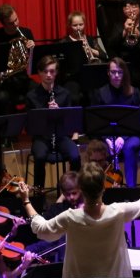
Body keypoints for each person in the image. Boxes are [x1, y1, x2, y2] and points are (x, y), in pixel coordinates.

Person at [25, 55, 81, 187]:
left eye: (52, 71)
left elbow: (71, 120)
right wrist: (46, 113)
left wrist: (59, 111)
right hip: (42, 137)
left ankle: (74, 190)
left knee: (75, 156)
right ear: (39, 73)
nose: (49, 75)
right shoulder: (32, 96)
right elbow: (29, 124)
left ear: (56, 72)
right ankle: (39, 194)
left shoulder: (64, 94)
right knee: (39, 157)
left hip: (61, 136)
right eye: (45, 71)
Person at [91, 58, 140, 186]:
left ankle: (131, 190)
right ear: (108, 73)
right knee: (98, 147)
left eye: (120, 72)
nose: (116, 75)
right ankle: (101, 191)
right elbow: (96, 122)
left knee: (129, 147)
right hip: (107, 138)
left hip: (131, 135)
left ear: (124, 73)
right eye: (113, 72)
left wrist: (123, 138)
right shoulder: (100, 93)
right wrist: (108, 139)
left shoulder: (134, 93)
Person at [0, 4, 36, 113]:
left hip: (22, 78)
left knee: (37, 91)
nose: (16, 24)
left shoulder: (26, 33)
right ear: (3, 24)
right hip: (4, 82)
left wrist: (32, 49)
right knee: (2, 98)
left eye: (16, 19)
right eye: (11, 23)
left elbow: (33, 63)